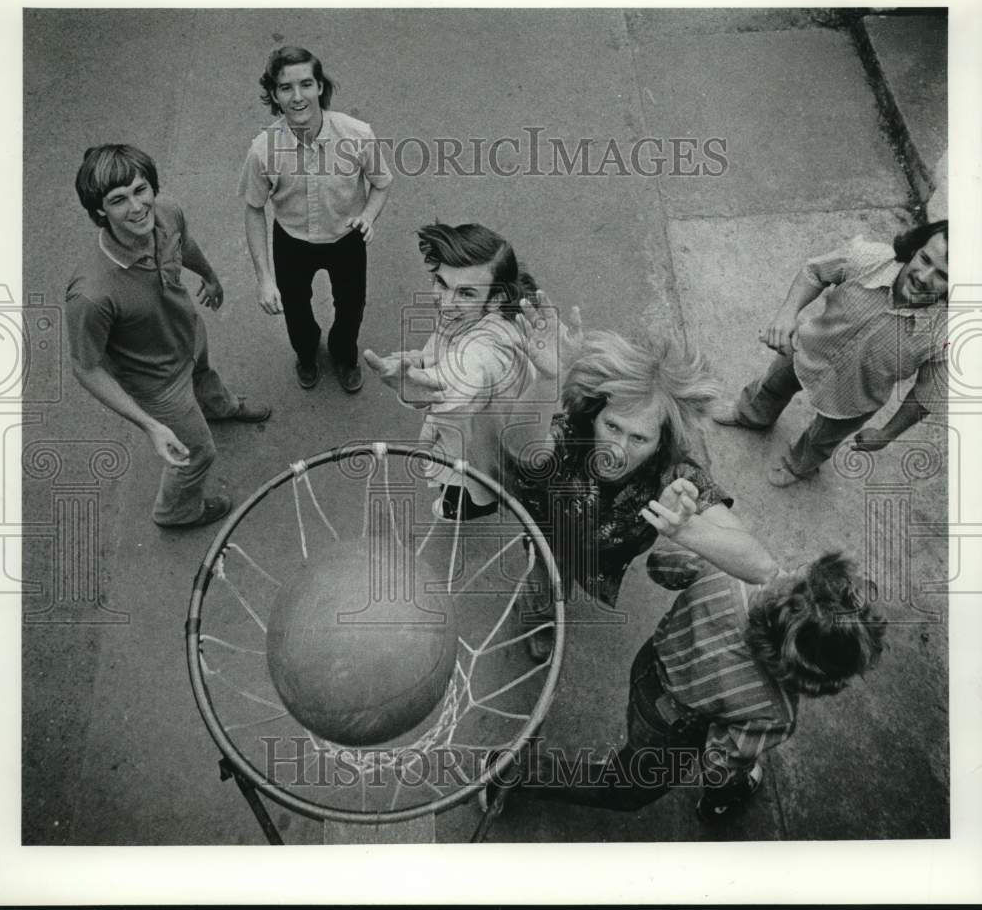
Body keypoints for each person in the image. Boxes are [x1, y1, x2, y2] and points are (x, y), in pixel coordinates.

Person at [482, 551, 886, 821]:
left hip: (651, 664)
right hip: (670, 725)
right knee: (626, 789)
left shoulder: (735, 570)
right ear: (815, 677)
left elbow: (665, 565)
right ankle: (514, 772)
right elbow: (719, 761)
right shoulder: (774, 710)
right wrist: (725, 781)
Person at [504, 295, 778, 660]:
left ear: (663, 439)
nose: (617, 450)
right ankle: (542, 622)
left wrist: (684, 530)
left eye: (638, 438)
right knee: (543, 585)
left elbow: (762, 567)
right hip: (548, 532)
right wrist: (548, 380)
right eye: (613, 426)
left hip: (605, 550)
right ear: (597, 412)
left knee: (572, 576)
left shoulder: (675, 474)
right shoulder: (574, 430)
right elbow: (521, 448)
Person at [67, 144, 270, 529]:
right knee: (198, 453)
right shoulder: (91, 293)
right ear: (99, 212)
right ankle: (176, 512)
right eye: (118, 200)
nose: (137, 207)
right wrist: (150, 424)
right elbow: (86, 367)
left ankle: (219, 408)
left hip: (187, 334)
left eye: (141, 190)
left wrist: (209, 276)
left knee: (206, 376)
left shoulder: (167, 211)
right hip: (157, 384)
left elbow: (183, 243)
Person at [712, 222, 949, 486]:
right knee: (770, 387)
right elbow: (814, 271)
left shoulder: (946, 336)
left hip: (855, 398)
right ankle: (751, 415)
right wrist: (787, 313)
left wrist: (886, 434)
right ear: (916, 247)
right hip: (807, 350)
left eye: (943, 275)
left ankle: (798, 466)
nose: (924, 277)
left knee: (821, 440)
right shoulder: (867, 259)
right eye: (925, 258)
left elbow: (925, 396)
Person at [239, 46, 393, 393]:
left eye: (306, 84)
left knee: (351, 307)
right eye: (285, 88)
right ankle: (307, 353)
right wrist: (264, 279)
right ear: (274, 96)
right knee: (296, 312)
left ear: (320, 87)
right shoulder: (262, 150)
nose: (297, 97)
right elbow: (253, 209)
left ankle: (343, 354)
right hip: (292, 241)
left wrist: (368, 217)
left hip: (346, 239)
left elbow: (382, 183)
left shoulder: (357, 135)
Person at [364, 222, 537, 521]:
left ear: (495, 299)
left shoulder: (492, 347)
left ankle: (462, 510)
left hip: (478, 448)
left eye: (466, 293)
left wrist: (426, 386)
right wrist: (421, 362)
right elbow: (446, 350)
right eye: (442, 283)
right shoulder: (471, 311)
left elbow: (468, 371)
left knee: (469, 490)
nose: (445, 302)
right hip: (475, 429)